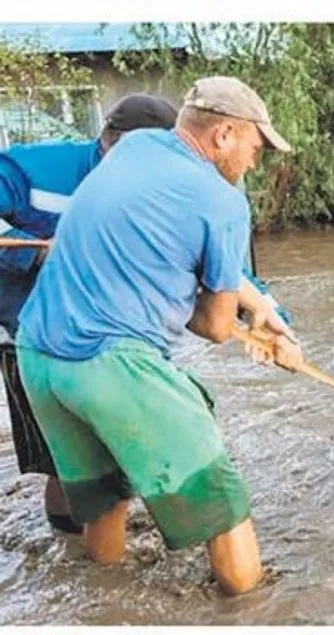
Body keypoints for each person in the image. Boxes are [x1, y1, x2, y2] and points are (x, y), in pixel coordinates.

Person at [15, 75, 303, 596]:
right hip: (112, 365)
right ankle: (254, 610)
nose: (256, 162)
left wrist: (258, 305)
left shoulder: (136, 146)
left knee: (105, 501)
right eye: (255, 146)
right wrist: (249, 328)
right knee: (223, 505)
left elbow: (154, 238)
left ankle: (109, 607)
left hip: (37, 357)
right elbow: (213, 327)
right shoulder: (224, 202)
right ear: (223, 135)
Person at [0, 93, 179, 535]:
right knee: (62, 451)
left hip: (98, 324)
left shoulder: (156, 191)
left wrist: (269, 317)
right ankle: (76, 542)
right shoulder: (34, 170)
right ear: (111, 144)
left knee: (98, 443)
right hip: (26, 318)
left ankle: (82, 551)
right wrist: (37, 255)